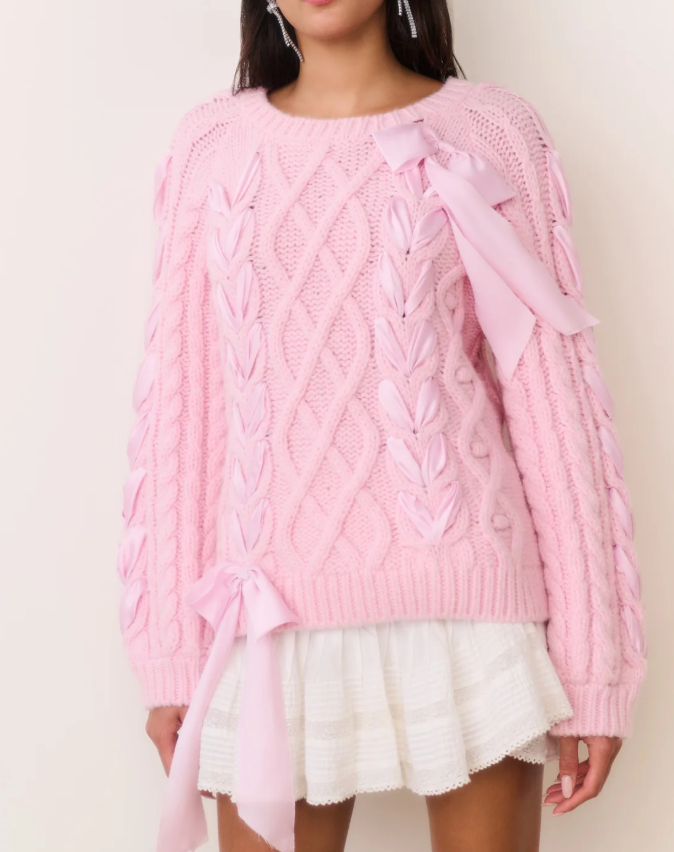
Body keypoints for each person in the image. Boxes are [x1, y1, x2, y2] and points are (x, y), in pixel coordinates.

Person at [116, 2, 647, 850]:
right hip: (271, 622)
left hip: (470, 612)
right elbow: (182, 408)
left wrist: (595, 666)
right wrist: (172, 657)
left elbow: (556, 404)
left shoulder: (490, 133)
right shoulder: (212, 148)